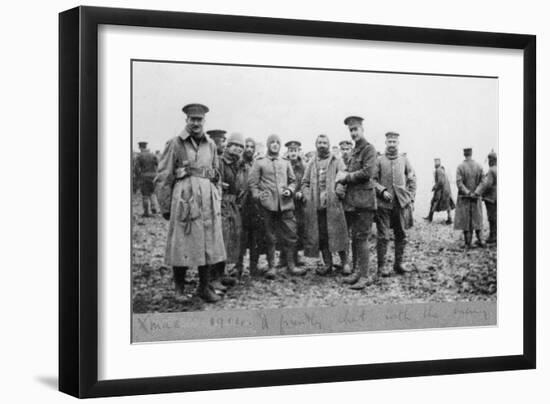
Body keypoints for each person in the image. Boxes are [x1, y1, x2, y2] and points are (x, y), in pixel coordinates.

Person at [156, 103, 225, 303]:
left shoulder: (211, 144)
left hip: (207, 200)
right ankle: (179, 289)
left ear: (204, 121)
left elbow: (216, 173)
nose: (196, 123)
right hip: (185, 200)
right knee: (182, 244)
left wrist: (216, 196)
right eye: (192, 119)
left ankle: (204, 287)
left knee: (208, 243)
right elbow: (163, 176)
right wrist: (166, 205)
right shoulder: (175, 143)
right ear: (186, 120)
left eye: (199, 119)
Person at [248, 134, 305, 278]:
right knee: (270, 236)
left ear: (280, 146)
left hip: (286, 205)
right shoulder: (259, 162)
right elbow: (253, 184)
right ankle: (272, 266)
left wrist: (290, 190)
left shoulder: (285, 162)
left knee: (291, 235)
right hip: (267, 206)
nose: (274, 145)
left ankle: (291, 265)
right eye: (272, 142)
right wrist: (259, 196)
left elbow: (293, 181)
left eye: (277, 142)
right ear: (268, 145)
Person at [335, 116, 378, 289]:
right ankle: (358, 273)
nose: (353, 133)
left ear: (362, 129)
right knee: (356, 238)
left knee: (362, 238)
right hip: (353, 201)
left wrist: (346, 176)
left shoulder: (369, 149)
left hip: (365, 202)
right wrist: (342, 177)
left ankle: (365, 276)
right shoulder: (354, 151)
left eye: (356, 129)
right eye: (351, 130)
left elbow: (367, 173)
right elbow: (350, 171)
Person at [302, 134, 350, 275]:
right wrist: (308, 196)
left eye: (324, 142)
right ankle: (327, 264)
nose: (322, 145)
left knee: (339, 233)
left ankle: (345, 263)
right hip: (318, 207)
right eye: (319, 142)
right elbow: (304, 182)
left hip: (334, 205)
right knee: (322, 236)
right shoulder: (312, 162)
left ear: (329, 145)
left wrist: (339, 191)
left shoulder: (336, 160)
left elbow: (344, 176)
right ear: (316, 144)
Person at [374, 132, 417, 276]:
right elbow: (372, 180)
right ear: (385, 143)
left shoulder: (404, 160)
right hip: (383, 205)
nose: (392, 144)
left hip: (400, 204)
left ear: (398, 143)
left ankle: (398, 264)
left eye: (394, 141)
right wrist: (381, 190)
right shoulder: (379, 160)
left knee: (401, 234)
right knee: (383, 236)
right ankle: (381, 267)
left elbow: (412, 178)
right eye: (389, 141)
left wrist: (410, 197)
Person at [211, 133, 247, 292]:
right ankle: (212, 278)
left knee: (232, 239)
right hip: (220, 204)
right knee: (220, 240)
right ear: (228, 146)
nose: (238, 149)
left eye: (241, 147)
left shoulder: (238, 164)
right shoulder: (219, 161)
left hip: (233, 205)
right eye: (235, 145)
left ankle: (221, 273)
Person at [235, 137, 264, 276]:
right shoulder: (238, 164)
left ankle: (254, 267)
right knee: (241, 237)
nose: (249, 149)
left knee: (255, 237)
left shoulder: (257, 163)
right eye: (247, 146)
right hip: (242, 203)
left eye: (252, 147)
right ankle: (238, 266)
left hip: (255, 204)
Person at [280, 140, 306, 267]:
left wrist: (301, 191)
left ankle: (296, 255)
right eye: (291, 151)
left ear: (299, 151)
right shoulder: (283, 164)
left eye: (295, 150)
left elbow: (307, 182)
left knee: (299, 229)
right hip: (286, 201)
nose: (293, 153)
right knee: (285, 229)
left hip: (299, 203)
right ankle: (283, 257)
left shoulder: (303, 166)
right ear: (288, 152)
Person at [454, 148, 485, 248]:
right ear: (471, 154)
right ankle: (481, 240)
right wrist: (476, 192)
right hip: (476, 198)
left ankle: (468, 243)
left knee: (466, 220)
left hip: (465, 198)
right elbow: (483, 182)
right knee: (478, 218)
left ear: (464, 154)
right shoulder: (479, 166)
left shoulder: (460, 167)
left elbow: (459, 183)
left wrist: (468, 192)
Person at [475, 151, 497, 244]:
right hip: (496, 196)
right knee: (495, 216)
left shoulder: (491, 170)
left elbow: (487, 184)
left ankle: (493, 236)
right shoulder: (497, 168)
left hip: (491, 198)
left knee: (491, 217)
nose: (488, 161)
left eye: (489, 159)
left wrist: (477, 192)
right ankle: (495, 234)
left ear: (492, 160)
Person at [425, 158, 454, 224]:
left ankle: (430, 218)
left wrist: (434, 187)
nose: (435, 165)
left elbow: (440, 182)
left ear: (438, 164)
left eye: (436, 163)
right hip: (446, 190)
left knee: (434, 202)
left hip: (442, 190)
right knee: (448, 204)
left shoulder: (438, 170)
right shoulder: (442, 170)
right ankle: (450, 219)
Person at [134, 141, 159, 217]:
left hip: (144, 177)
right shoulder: (152, 155)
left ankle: (146, 212)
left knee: (145, 195)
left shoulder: (139, 156)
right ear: (146, 147)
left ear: (140, 148)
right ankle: (154, 208)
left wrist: (139, 176)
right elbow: (158, 164)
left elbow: (136, 168)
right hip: (153, 176)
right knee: (152, 193)